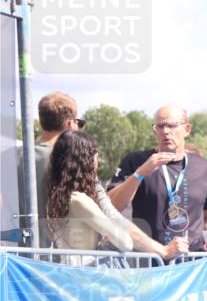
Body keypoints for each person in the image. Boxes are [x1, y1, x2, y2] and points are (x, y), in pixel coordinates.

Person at [108, 104, 207, 255]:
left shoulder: (205, 167)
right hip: (149, 260)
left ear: (187, 129)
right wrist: (140, 173)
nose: (165, 131)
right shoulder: (137, 161)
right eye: (160, 126)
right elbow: (111, 206)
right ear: (154, 131)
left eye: (172, 125)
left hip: (192, 262)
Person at [45, 130, 132, 255]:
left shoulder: (57, 198)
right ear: (86, 161)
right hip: (86, 265)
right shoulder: (79, 200)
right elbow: (126, 243)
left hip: (69, 264)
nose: (97, 163)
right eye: (96, 157)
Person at [17, 91, 84, 246]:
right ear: (69, 124)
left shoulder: (13, 157)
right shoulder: (69, 160)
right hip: (57, 253)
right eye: (79, 123)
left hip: (17, 253)